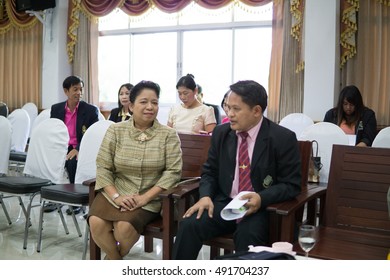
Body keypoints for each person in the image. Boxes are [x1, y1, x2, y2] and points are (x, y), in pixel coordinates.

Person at [172, 80, 301, 260]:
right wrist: (206, 196)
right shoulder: (221, 133)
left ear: (256, 111)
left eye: (236, 109)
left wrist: (261, 198)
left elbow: (291, 185)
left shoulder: (282, 138)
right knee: (188, 225)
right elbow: (209, 171)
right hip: (225, 202)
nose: (229, 114)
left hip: (258, 207)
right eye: (227, 107)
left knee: (248, 236)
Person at [88, 80, 182, 260]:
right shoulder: (116, 130)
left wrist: (144, 198)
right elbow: (103, 166)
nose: (150, 107)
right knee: (96, 222)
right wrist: (117, 196)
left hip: (149, 195)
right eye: (144, 102)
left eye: (154, 102)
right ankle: (116, 260)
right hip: (116, 190)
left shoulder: (168, 135)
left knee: (124, 228)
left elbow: (173, 172)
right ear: (131, 106)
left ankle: (111, 260)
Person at [50, 75, 99, 214]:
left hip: (81, 146)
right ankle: (53, 199)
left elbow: (91, 135)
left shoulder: (90, 110)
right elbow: (54, 130)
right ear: (66, 91)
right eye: (75, 89)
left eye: (81, 89)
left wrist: (78, 149)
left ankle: (76, 200)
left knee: (71, 163)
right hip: (61, 145)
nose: (79, 92)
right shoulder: (56, 109)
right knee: (50, 160)